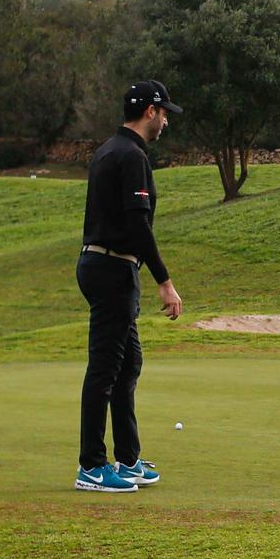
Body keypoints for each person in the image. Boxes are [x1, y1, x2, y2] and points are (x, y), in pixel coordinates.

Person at [75, 80, 184, 493]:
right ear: (150, 112)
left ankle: (128, 458)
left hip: (103, 264)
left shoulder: (110, 149)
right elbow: (138, 224)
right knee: (105, 368)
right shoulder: (132, 155)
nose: (166, 121)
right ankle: (91, 466)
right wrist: (165, 282)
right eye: (164, 112)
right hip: (112, 269)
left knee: (127, 363)